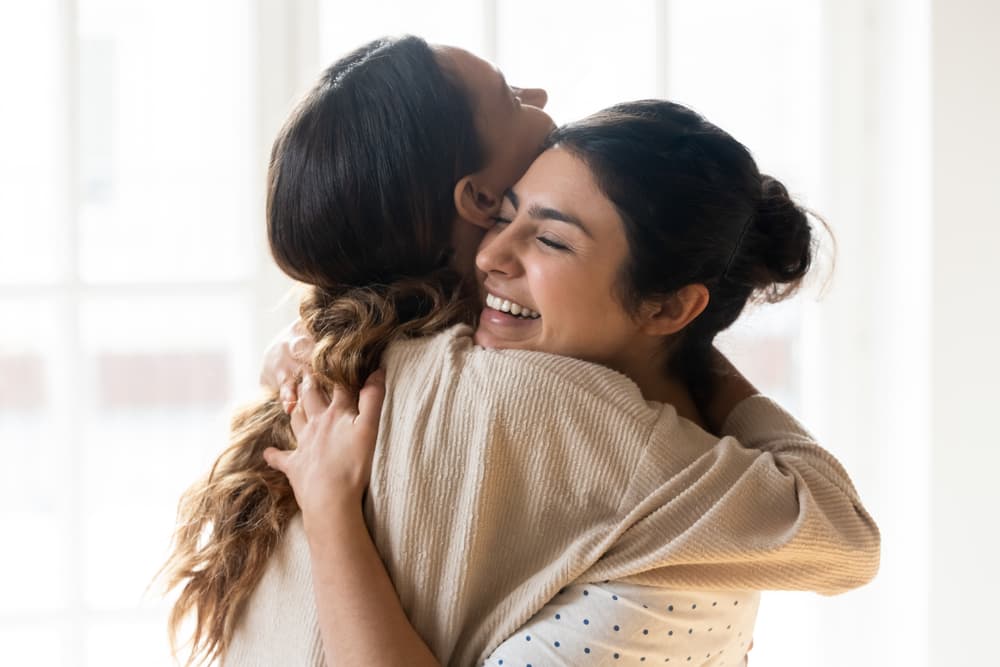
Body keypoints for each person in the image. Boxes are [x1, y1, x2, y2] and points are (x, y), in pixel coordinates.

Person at [160, 36, 879, 667]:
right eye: (508, 94)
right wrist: (688, 342)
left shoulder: (340, 362)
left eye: (549, 233)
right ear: (476, 200)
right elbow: (841, 536)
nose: (541, 98)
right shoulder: (534, 399)